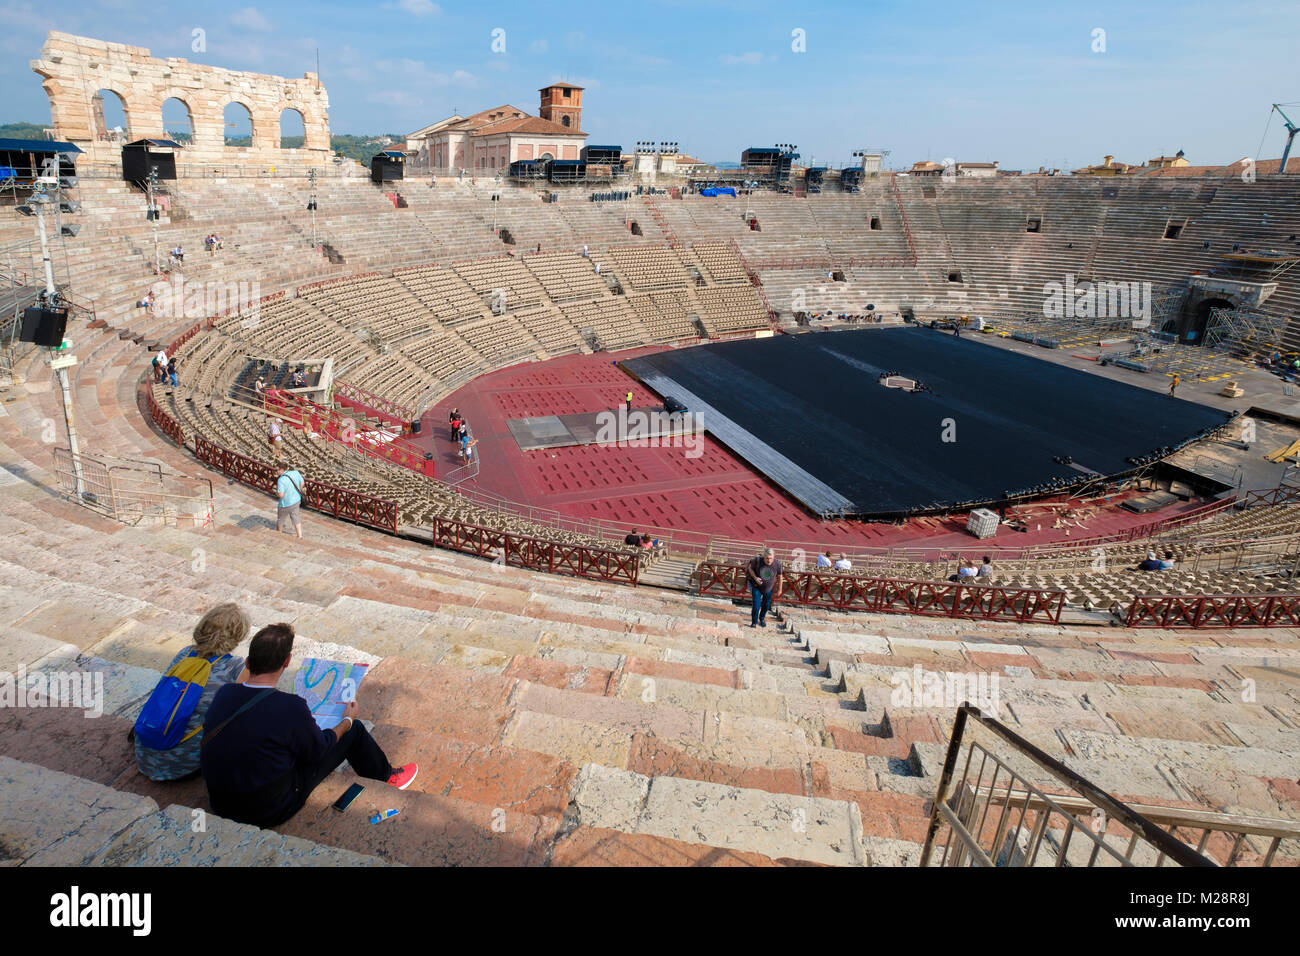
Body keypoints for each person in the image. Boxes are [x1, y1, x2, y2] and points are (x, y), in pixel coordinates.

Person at [200, 623, 418, 829]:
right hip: (270, 810)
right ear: (287, 662)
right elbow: (319, 750)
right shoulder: (289, 706)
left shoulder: (224, 693)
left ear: (248, 662)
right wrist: (347, 720)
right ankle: (388, 776)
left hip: (221, 804)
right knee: (355, 731)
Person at [135, 603, 250, 782]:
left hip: (145, 753)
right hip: (184, 763)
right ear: (238, 636)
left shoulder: (185, 653)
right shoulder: (235, 666)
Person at [745, 547, 783, 628]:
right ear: (763, 556)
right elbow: (750, 569)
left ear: (774, 557)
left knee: (766, 605)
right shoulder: (758, 560)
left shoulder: (777, 563)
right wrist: (755, 578)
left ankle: (762, 619)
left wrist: (780, 589)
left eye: (770, 558)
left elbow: (780, 577)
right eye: (767, 558)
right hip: (756, 586)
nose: (768, 560)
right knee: (756, 605)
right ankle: (754, 622)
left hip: (769, 588)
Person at [276, 465, 304, 538]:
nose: (275, 472)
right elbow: (302, 483)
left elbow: (281, 495)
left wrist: (276, 493)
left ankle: (278, 534)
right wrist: (299, 490)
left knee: (281, 519)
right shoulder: (295, 472)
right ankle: (299, 535)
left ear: (282, 469)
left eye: (276, 470)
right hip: (296, 500)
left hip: (285, 503)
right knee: (296, 518)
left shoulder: (281, 480)